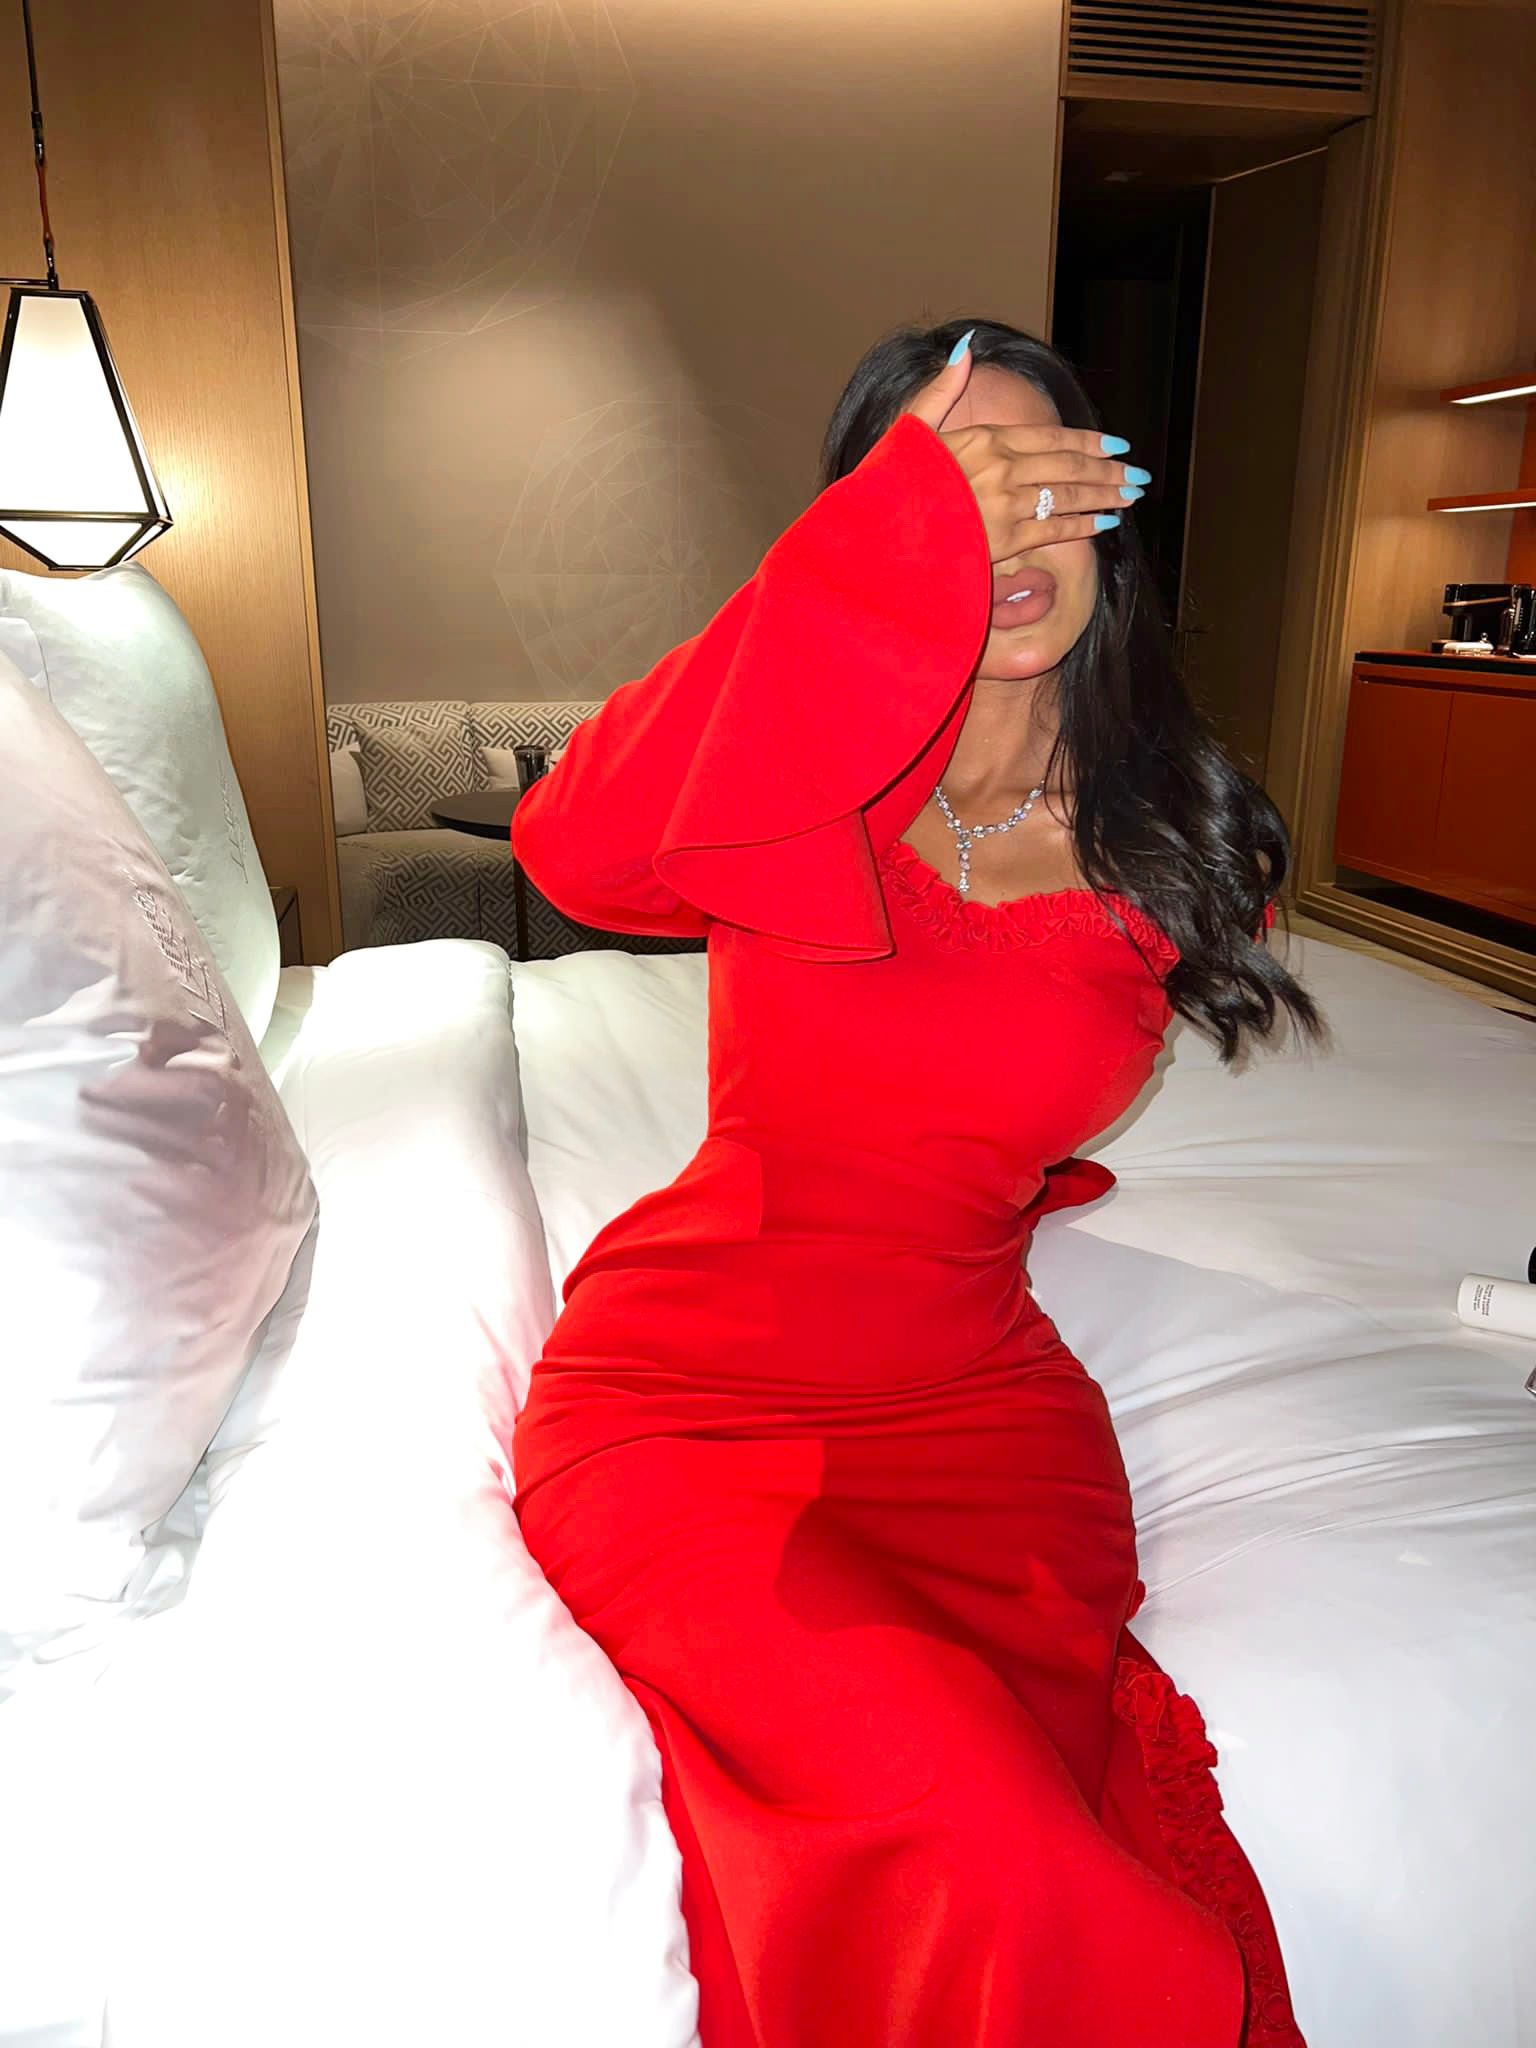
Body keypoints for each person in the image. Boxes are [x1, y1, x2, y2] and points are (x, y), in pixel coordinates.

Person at [509, 316, 1324, 2047]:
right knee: (970, 1838)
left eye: (1048, 487)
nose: (1012, 532)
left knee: (1005, 1814)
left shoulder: (1185, 848)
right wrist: (857, 580)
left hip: (977, 1419)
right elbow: (571, 851)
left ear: (1110, 518)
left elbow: (976, 1092)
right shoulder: (807, 768)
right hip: (695, 1400)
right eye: (964, 491)